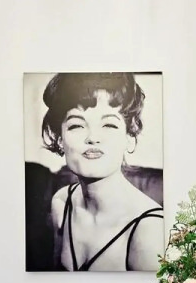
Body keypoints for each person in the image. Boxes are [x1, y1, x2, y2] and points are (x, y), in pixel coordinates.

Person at [42, 73, 164, 271]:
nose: (93, 138)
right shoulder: (61, 203)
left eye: (109, 124)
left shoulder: (149, 231)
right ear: (59, 139)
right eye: (77, 125)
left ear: (129, 138)